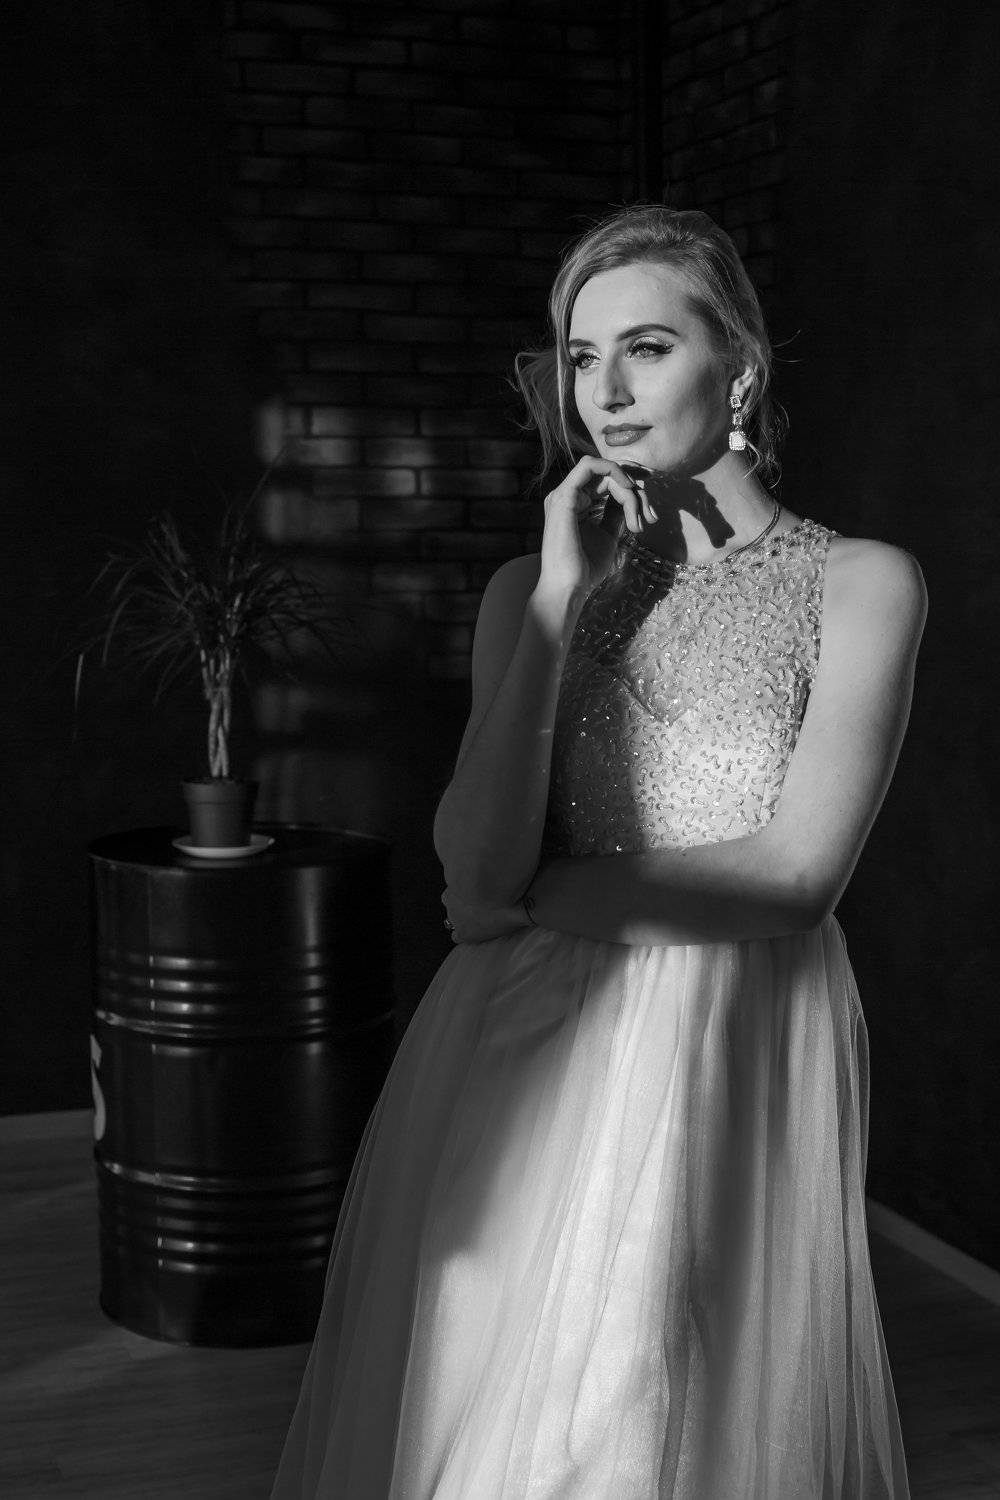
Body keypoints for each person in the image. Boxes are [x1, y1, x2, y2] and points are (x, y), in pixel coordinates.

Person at [270, 204, 925, 1499]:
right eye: (581, 356)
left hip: (729, 1037)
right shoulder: (528, 593)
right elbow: (471, 868)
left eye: (647, 347)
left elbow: (797, 878)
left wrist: (541, 892)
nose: (605, 390)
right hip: (524, 1041)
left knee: (664, 1419)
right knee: (498, 1424)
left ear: (740, 370)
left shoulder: (860, 583)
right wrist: (562, 601)